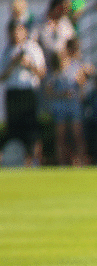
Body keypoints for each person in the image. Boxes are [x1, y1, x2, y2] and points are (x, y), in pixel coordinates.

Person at [1, 20, 47, 167]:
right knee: (14, 129)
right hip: (13, 93)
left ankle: (34, 161)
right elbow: (2, 76)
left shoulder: (32, 48)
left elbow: (41, 73)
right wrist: (13, 64)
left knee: (31, 129)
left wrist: (28, 65)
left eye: (18, 31)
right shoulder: (8, 50)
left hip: (28, 92)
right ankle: (17, 161)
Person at [45, 36, 93, 166]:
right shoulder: (57, 68)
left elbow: (83, 84)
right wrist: (61, 94)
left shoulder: (77, 66)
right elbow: (48, 90)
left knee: (77, 134)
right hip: (60, 104)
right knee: (60, 136)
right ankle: (62, 163)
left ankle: (81, 161)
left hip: (74, 104)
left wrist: (82, 84)